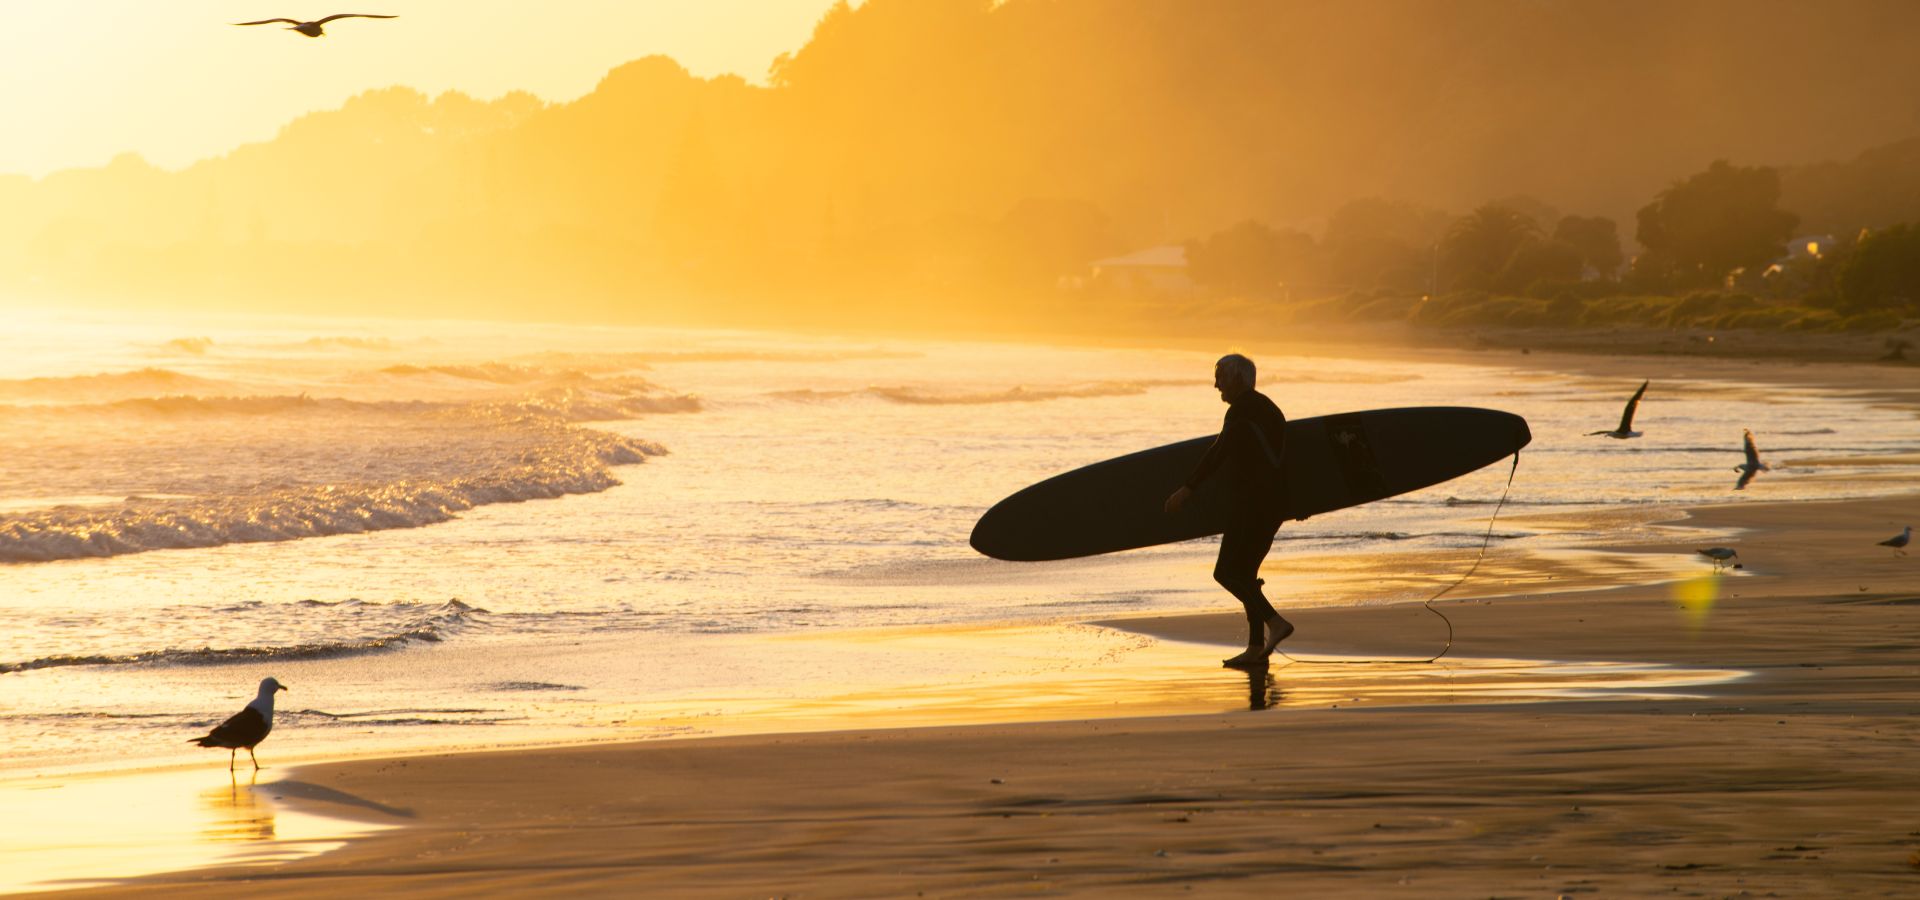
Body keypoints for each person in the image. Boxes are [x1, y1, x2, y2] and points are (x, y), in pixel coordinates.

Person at [1164, 353, 1294, 668]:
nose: (1215, 384)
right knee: (1245, 575)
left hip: (1252, 505)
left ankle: (1274, 622)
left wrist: (1188, 488)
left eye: (1220, 376)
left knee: (1227, 573)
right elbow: (1288, 460)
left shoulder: (1243, 411)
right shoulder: (1267, 408)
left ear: (1237, 379)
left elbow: (1219, 452)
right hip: (1271, 505)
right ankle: (1254, 648)